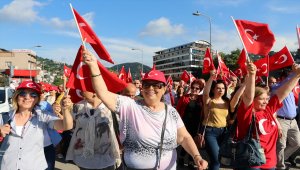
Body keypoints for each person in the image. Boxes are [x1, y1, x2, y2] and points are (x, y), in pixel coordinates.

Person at [82, 49, 208, 170]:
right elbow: (102, 92)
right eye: (146, 84)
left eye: (156, 85)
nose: (151, 88)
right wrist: (93, 66)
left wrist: (197, 157)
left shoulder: (171, 112)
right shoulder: (130, 106)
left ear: (164, 89)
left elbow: (184, 137)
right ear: (142, 88)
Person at [236, 62, 300, 170]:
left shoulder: (268, 110)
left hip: (270, 163)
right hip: (251, 162)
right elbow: (247, 97)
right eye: (262, 99)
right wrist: (252, 75)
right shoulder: (247, 112)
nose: (265, 102)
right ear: (254, 99)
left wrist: (297, 75)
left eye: (267, 99)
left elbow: (283, 93)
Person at [0, 80, 73, 170]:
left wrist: (65, 109)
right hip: (8, 166)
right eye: (23, 94)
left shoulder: (43, 116)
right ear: (16, 96)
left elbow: (66, 126)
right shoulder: (4, 117)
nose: (27, 97)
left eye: (33, 95)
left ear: (37, 99)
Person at [66, 91, 121, 170]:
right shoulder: (78, 106)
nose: (80, 92)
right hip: (83, 155)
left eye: (83, 89)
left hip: (106, 154)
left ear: (94, 92)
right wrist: (65, 111)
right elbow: (71, 127)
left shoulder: (111, 106)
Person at [271, 71, 300, 170]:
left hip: (293, 121)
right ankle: (280, 166)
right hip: (281, 120)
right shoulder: (276, 87)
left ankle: (279, 160)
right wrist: (294, 74)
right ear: (282, 78)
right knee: (281, 145)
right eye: (288, 78)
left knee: (296, 143)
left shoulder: (292, 91)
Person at [202, 70, 230, 170]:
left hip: (223, 132)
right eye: (218, 88)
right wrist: (211, 78)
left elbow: (227, 118)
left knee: (217, 159)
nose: (221, 90)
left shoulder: (226, 102)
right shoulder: (209, 100)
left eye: (223, 88)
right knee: (216, 159)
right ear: (213, 89)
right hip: (210, 132)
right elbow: (205, 93)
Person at [176, 79, 204, 167]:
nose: (194, 89)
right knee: (186, 140)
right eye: (193, 87)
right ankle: (181, 157)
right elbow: (177, 111)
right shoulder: (184, 97)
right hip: (185, 123)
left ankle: (192, 160)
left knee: (194, 142)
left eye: (197, 88)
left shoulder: (201, 99)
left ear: (200, 90)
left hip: (196, 124)